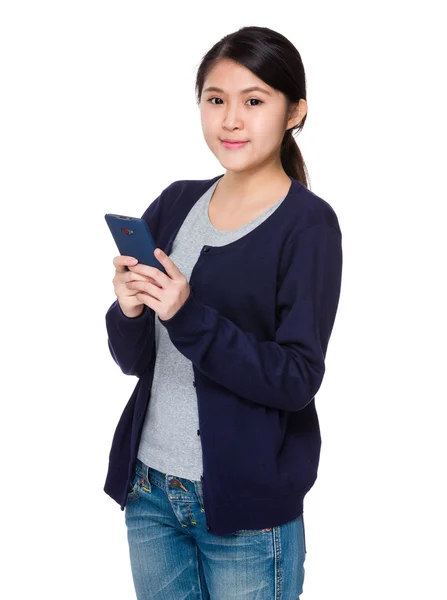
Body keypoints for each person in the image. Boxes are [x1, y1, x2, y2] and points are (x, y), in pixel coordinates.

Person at [104, 25, 343, 600]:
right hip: (151, 490)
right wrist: (130, 310)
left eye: (253, 101)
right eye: (215, 100)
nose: (230, 120)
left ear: (294, 113)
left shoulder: (307, 225)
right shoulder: (177, 201)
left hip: (245, 505)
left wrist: (187, 316)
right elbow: (136, 362)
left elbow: (296, 378)